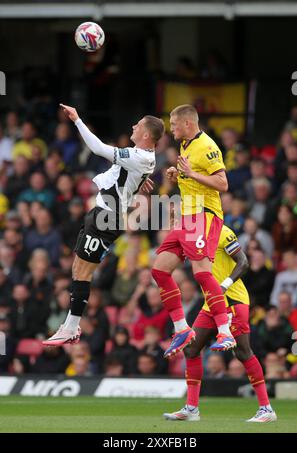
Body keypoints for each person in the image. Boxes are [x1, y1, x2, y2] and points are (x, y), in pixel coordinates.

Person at [43, 103, 165, 346]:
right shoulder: (142, 157)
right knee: (78, 269)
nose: (133, 126)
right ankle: (71, 325)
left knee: (83, 272)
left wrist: (77, 120)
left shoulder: (139, 156)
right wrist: (139, 182)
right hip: (102, 213)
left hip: (106, 218)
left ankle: (71, 327)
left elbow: (98, 148)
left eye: (138, 125)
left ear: (146, 135)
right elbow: (130, 175)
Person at [163, 224, 277, 423]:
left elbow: (243, 263)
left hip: (233, 299)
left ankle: (266, 408)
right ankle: (191, 408)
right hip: (211, 303)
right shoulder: (191, 234)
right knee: (191, 349)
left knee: (242, 351)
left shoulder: (223, 232)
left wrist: (224, 285)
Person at [151, 104, 235, 357]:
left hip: (204, 216)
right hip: (187, 217)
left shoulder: (208, 147)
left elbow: (223, 183)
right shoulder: (186, 144)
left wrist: (191, 174)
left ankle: (225, 330)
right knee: (159, 270)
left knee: (201, 273)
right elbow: (195, 176)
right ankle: (181, 328)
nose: (172, 129)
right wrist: (180, 175)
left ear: (187, 123)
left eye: (174, 124)